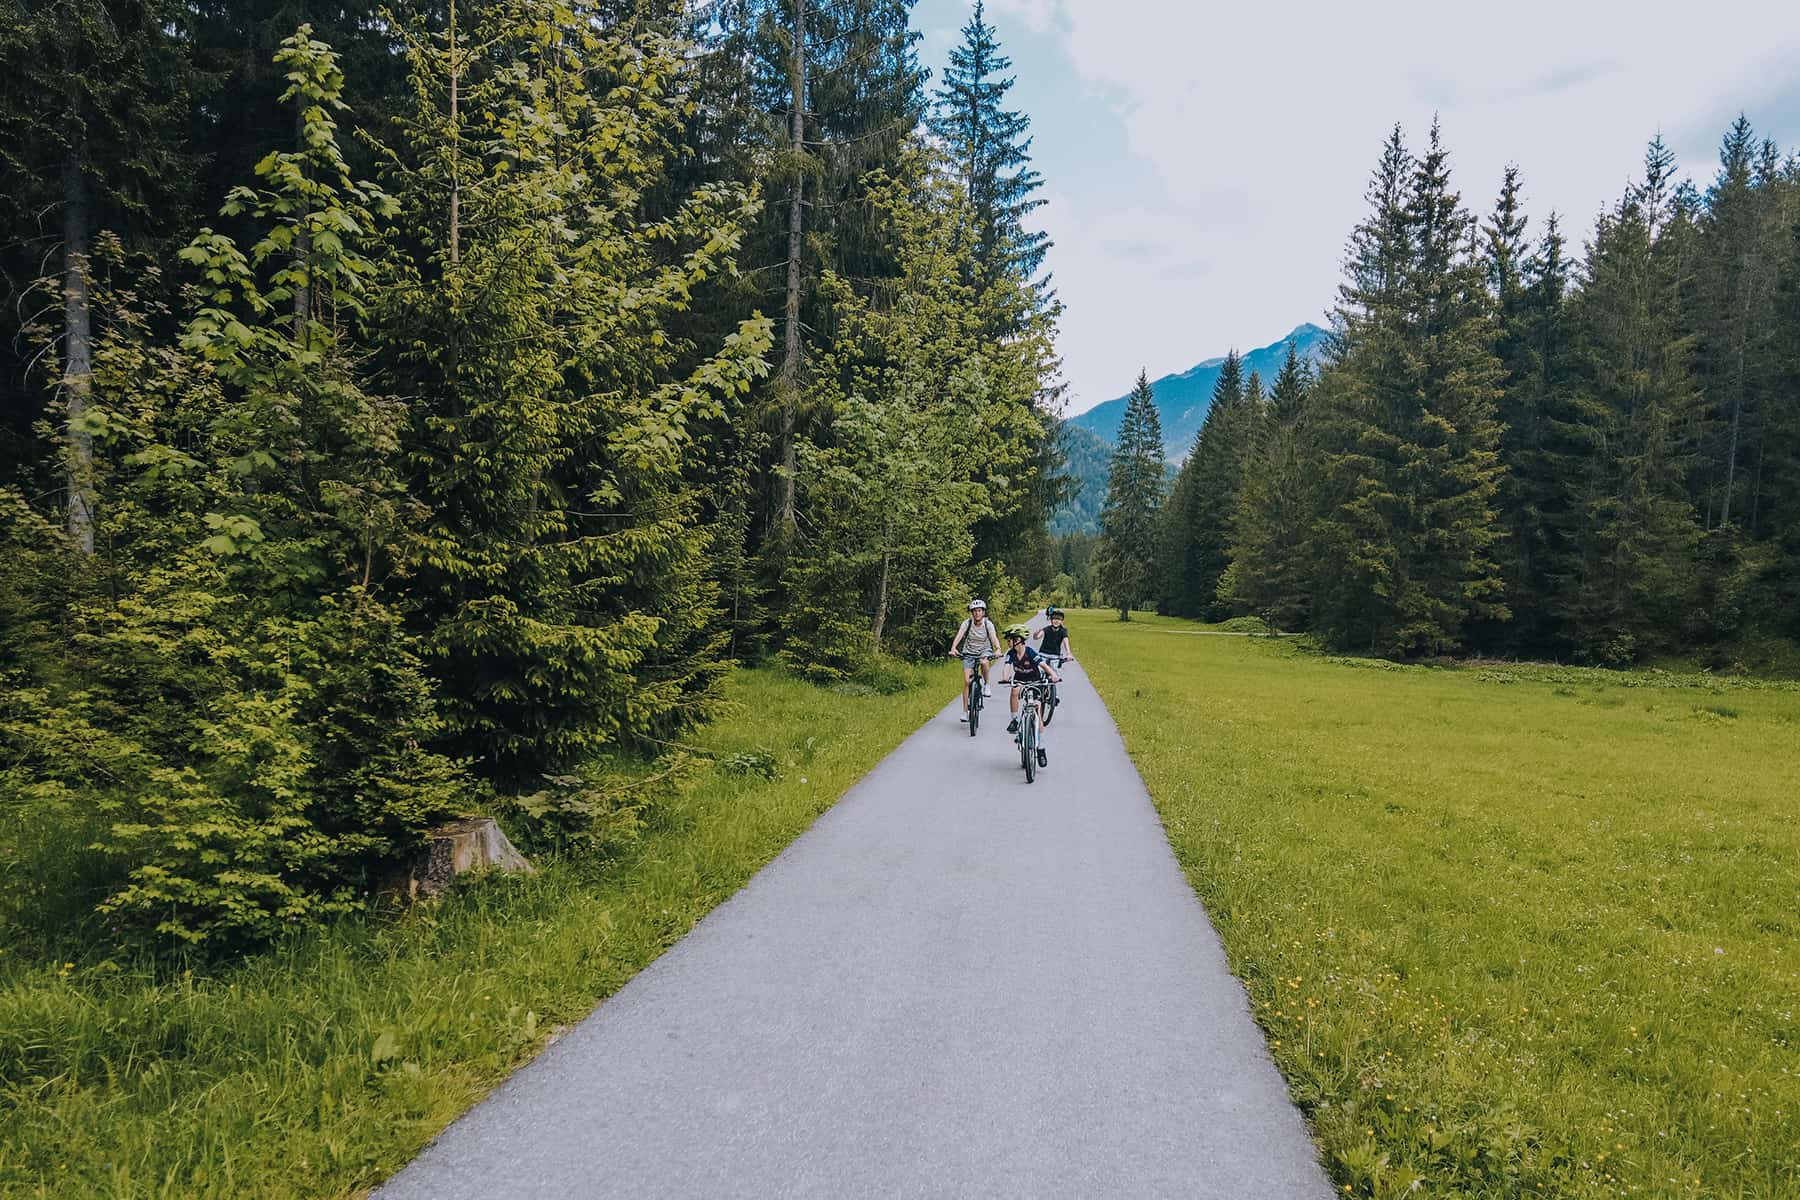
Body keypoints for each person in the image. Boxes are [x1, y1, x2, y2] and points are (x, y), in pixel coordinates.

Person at [1000, 625, 1060, 766]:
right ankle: (1014, 720)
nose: (1008, 642)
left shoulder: (1030, 652)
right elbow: (1007, 667)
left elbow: (1043, 665)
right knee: (1014, 690)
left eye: (1010, 640)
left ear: (1018, 640)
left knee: (1037, 709)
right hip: (1021, 680)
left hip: (1035, 682)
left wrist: (1053, 675)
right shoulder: (1011, 654)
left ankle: (1041, 748)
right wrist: (1005, 677)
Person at [948, 600, 1000, 721]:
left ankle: (986, 685)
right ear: (972, 613)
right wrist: (953, 648)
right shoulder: (967, 623)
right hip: (969, 652)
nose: (977, 613)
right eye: (975, 611)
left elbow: (993, 637)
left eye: (979, 611)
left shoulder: (988, 624)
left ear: (983, 612)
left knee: (984, 662)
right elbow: (960, 635)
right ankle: (965, 712)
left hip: (984, 650)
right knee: (966, 681)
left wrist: (997, 649)